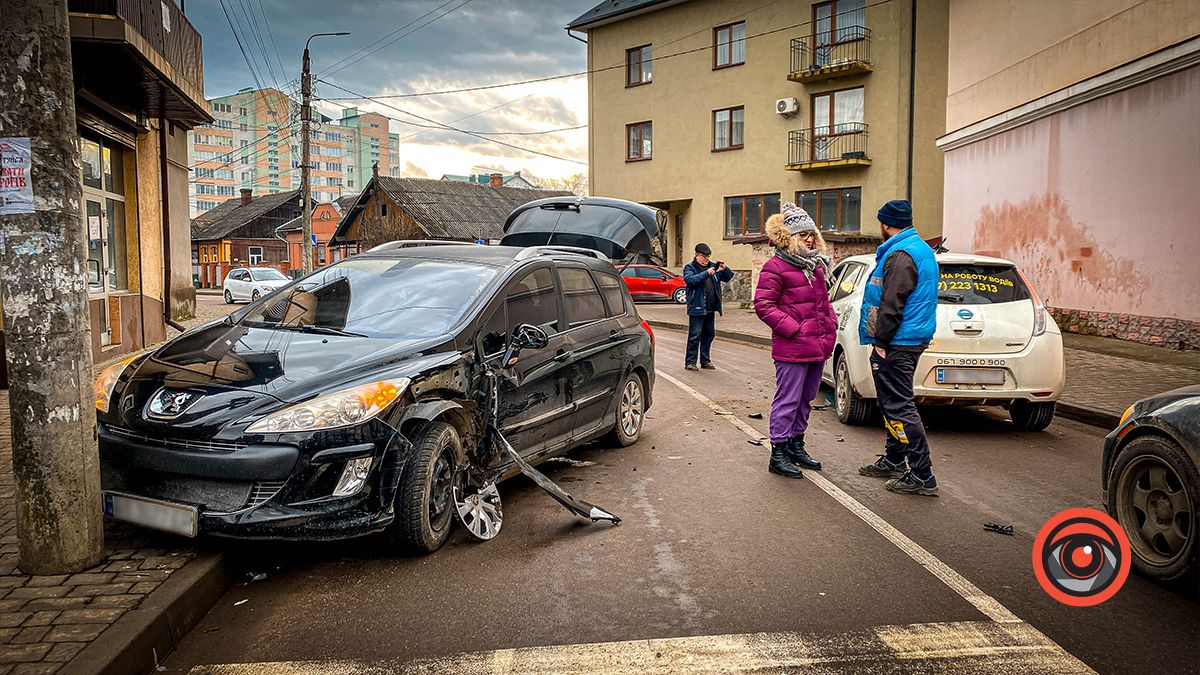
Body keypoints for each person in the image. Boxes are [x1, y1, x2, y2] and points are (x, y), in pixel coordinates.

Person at [857, 199, 940, 496]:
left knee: (899, 405)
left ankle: (922, 473)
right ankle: (894, 458)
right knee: (890, 402)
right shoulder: (919, 248)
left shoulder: (901, 254)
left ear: (885, 224)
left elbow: (891, 304)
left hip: (897, 342)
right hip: (909, 338)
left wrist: (881, 342)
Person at [754, 203, 837, 479]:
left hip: (817, 345)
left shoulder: (815, 267)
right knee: (788, 400)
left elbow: (825, 303)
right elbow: (763, 304)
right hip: (793, 346)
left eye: (811, 234)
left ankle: (795, 445)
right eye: (802, 235)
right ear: (788, 237)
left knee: (806, 399)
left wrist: (831, 325)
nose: (809, 239)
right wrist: (794, 329)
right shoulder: (775, 267)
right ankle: (778, 452)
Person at [683, 243, 733, 371]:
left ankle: (705, 360)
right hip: (697, 307)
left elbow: (728, 277)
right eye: (704, 256)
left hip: (710, 308)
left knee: (709, 335)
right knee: (695, 336)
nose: (706, 259)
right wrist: (706, 273)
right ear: (697, 255)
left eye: (708, 256)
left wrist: (724, 268)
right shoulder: (690, 267)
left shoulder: (712, 266)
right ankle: (690, 362)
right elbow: (691, 280)